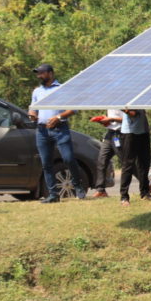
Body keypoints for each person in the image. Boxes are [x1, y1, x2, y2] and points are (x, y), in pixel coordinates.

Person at [28, 63, 86, 203]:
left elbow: (73, 109)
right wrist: (32, 115)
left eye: (41, 73)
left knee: (68, 158)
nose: (39, 76)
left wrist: (58, 117)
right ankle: (53, 195)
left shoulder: (62, 89)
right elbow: (32, 109)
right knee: (46, 163)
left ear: (50, 73)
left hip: (60, 129)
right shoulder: (37, 91)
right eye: (38, 73)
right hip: (42, 131)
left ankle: (78, 184)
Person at [119, 108, 151, 206]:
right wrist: (129, 112)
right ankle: (124, 197)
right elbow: (120, 105)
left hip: (143, 131)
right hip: (130, 133)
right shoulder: (126, 94)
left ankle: (145, 193)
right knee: (128, 165)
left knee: (144, 164)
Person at [91, 109, 123, 198]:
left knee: (126, 162)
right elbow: (109, 120)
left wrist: (111, 119)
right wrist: (102, 120)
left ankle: (146, 186)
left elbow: (128, 119)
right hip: (110, 134)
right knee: (101, 161)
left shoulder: (124, 102)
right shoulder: (109, 104)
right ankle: (101, 190)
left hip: (120, 134)